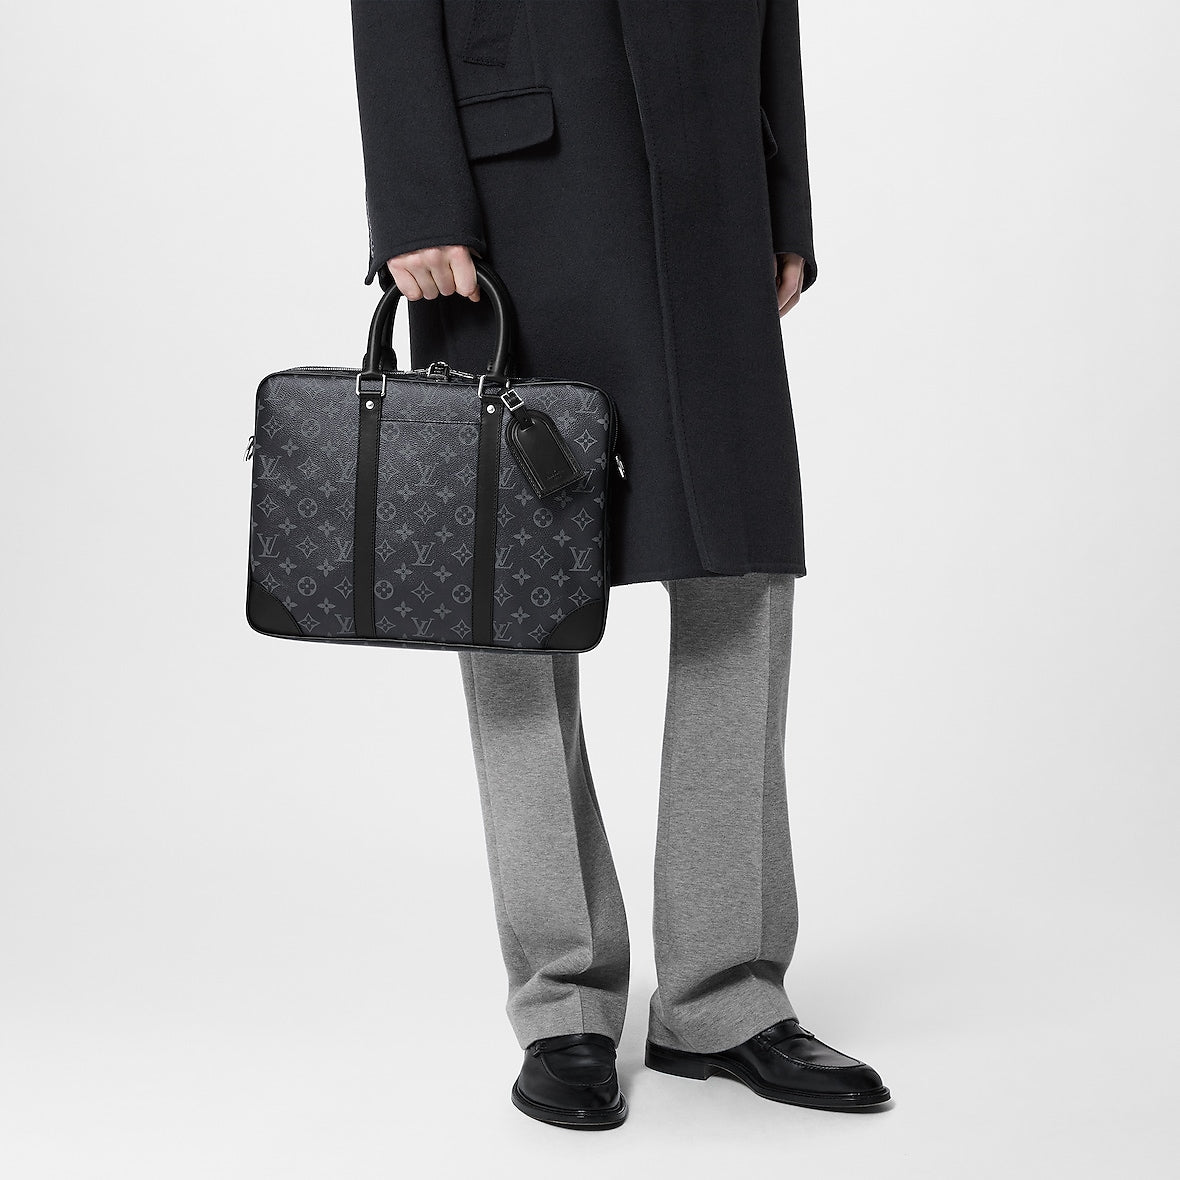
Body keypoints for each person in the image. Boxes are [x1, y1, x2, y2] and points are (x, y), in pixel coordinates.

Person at [351, 0, 889, 1129]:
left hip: (710, 182)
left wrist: (781, 189)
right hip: (515, 190)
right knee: (512, 598)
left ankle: (723, 998)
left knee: (737, 570)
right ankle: (563, 1002)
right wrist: (417, 197)